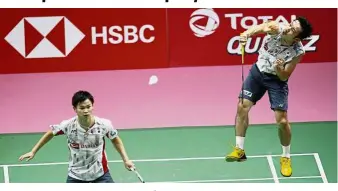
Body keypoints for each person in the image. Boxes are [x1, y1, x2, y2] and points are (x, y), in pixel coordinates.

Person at [225, 16, 313, 177]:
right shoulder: (277, 28)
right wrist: (246, 34)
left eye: (293, 29)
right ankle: (239, 150)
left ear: (297, 38)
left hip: (276, 81)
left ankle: (286, 156)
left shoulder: (298, 51)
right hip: (257, 73)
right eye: (290, 24)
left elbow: (285, 76)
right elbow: (260, 27)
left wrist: (280, 68)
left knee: (282, 121)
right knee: (242, 106)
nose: (288, 28)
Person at [19, 90, 135, 183]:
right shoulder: (68, 125)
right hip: (76, 176)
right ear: (75, 109)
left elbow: (116, 140)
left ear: (93, 106)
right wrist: (33, 151)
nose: (86, 111)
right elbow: (50, 133)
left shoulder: (104, 124)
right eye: (82, 108)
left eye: (88, 107)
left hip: (101, 175)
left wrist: (126, 160)